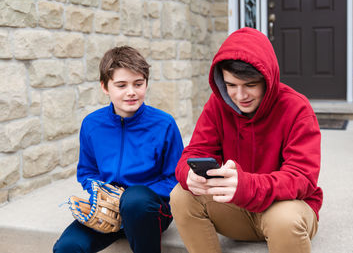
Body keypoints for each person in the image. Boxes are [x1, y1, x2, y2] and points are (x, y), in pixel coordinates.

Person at [170, 27, 322, 253]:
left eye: (250, 85)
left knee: (284, 221)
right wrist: (189, 175)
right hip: (237, 208)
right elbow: (194, 152)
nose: (240, 96)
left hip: (283, 207)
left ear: (267, 79)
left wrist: (246, 185)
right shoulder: (217, 104)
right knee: (180, 196)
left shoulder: (297, 108)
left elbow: (301, 178)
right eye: (231, 85)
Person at [53, 46, 184, 253]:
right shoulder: (91, 124)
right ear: (105, 87)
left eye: (138, 84)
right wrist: (103, 194)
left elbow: (175, 177)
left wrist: (127, 198)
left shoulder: (164, 124)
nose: (131, 92)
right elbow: (87, 171)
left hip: (149, 209)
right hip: (107, 209)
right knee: (67, 247)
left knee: (135, 200)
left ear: (146, 84)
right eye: (121, 85)